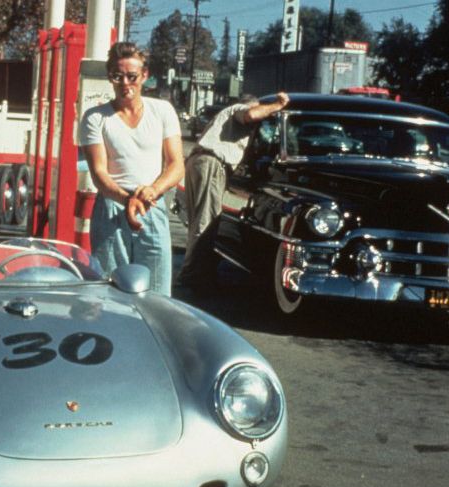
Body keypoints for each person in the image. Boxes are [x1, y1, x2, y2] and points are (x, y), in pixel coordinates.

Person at [78, 42, 184, 296]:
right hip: (112, 208)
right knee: (110, 290)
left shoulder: (162, 111)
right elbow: (100, 175)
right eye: (117, 75)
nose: (125, 83)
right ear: (109, 77)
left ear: (145, 76)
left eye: (132, 76)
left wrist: (152, 191)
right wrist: (128, 200)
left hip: (152, 205)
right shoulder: (95, 118)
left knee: (158, 293)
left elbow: (176, 165)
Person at [177, 92, 290, 287]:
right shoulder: (239, 110)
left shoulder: (227, 118)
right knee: (206, 222)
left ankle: (197, 270)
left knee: (198, 221)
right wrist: (278, 105)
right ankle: (193, 276)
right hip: (212, 163)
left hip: (199, 161)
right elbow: (252, 115)